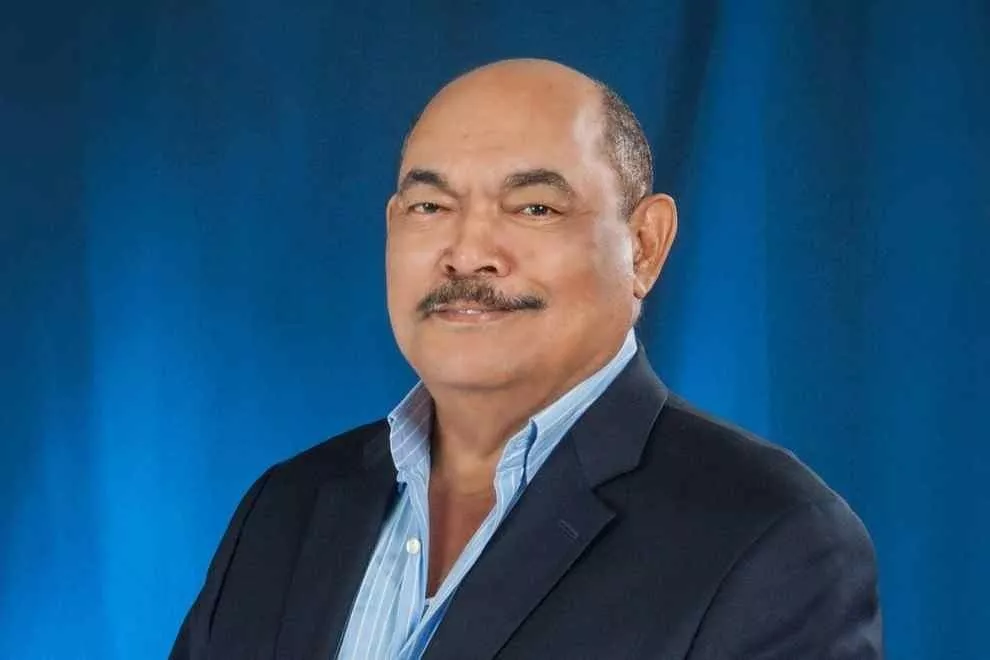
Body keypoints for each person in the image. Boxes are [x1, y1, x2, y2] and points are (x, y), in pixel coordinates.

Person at [170, 58, 883, 659]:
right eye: (430, 207)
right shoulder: (284, 509)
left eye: (534, 207)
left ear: (644, 246)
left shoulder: (771, 539)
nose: (468, 253)